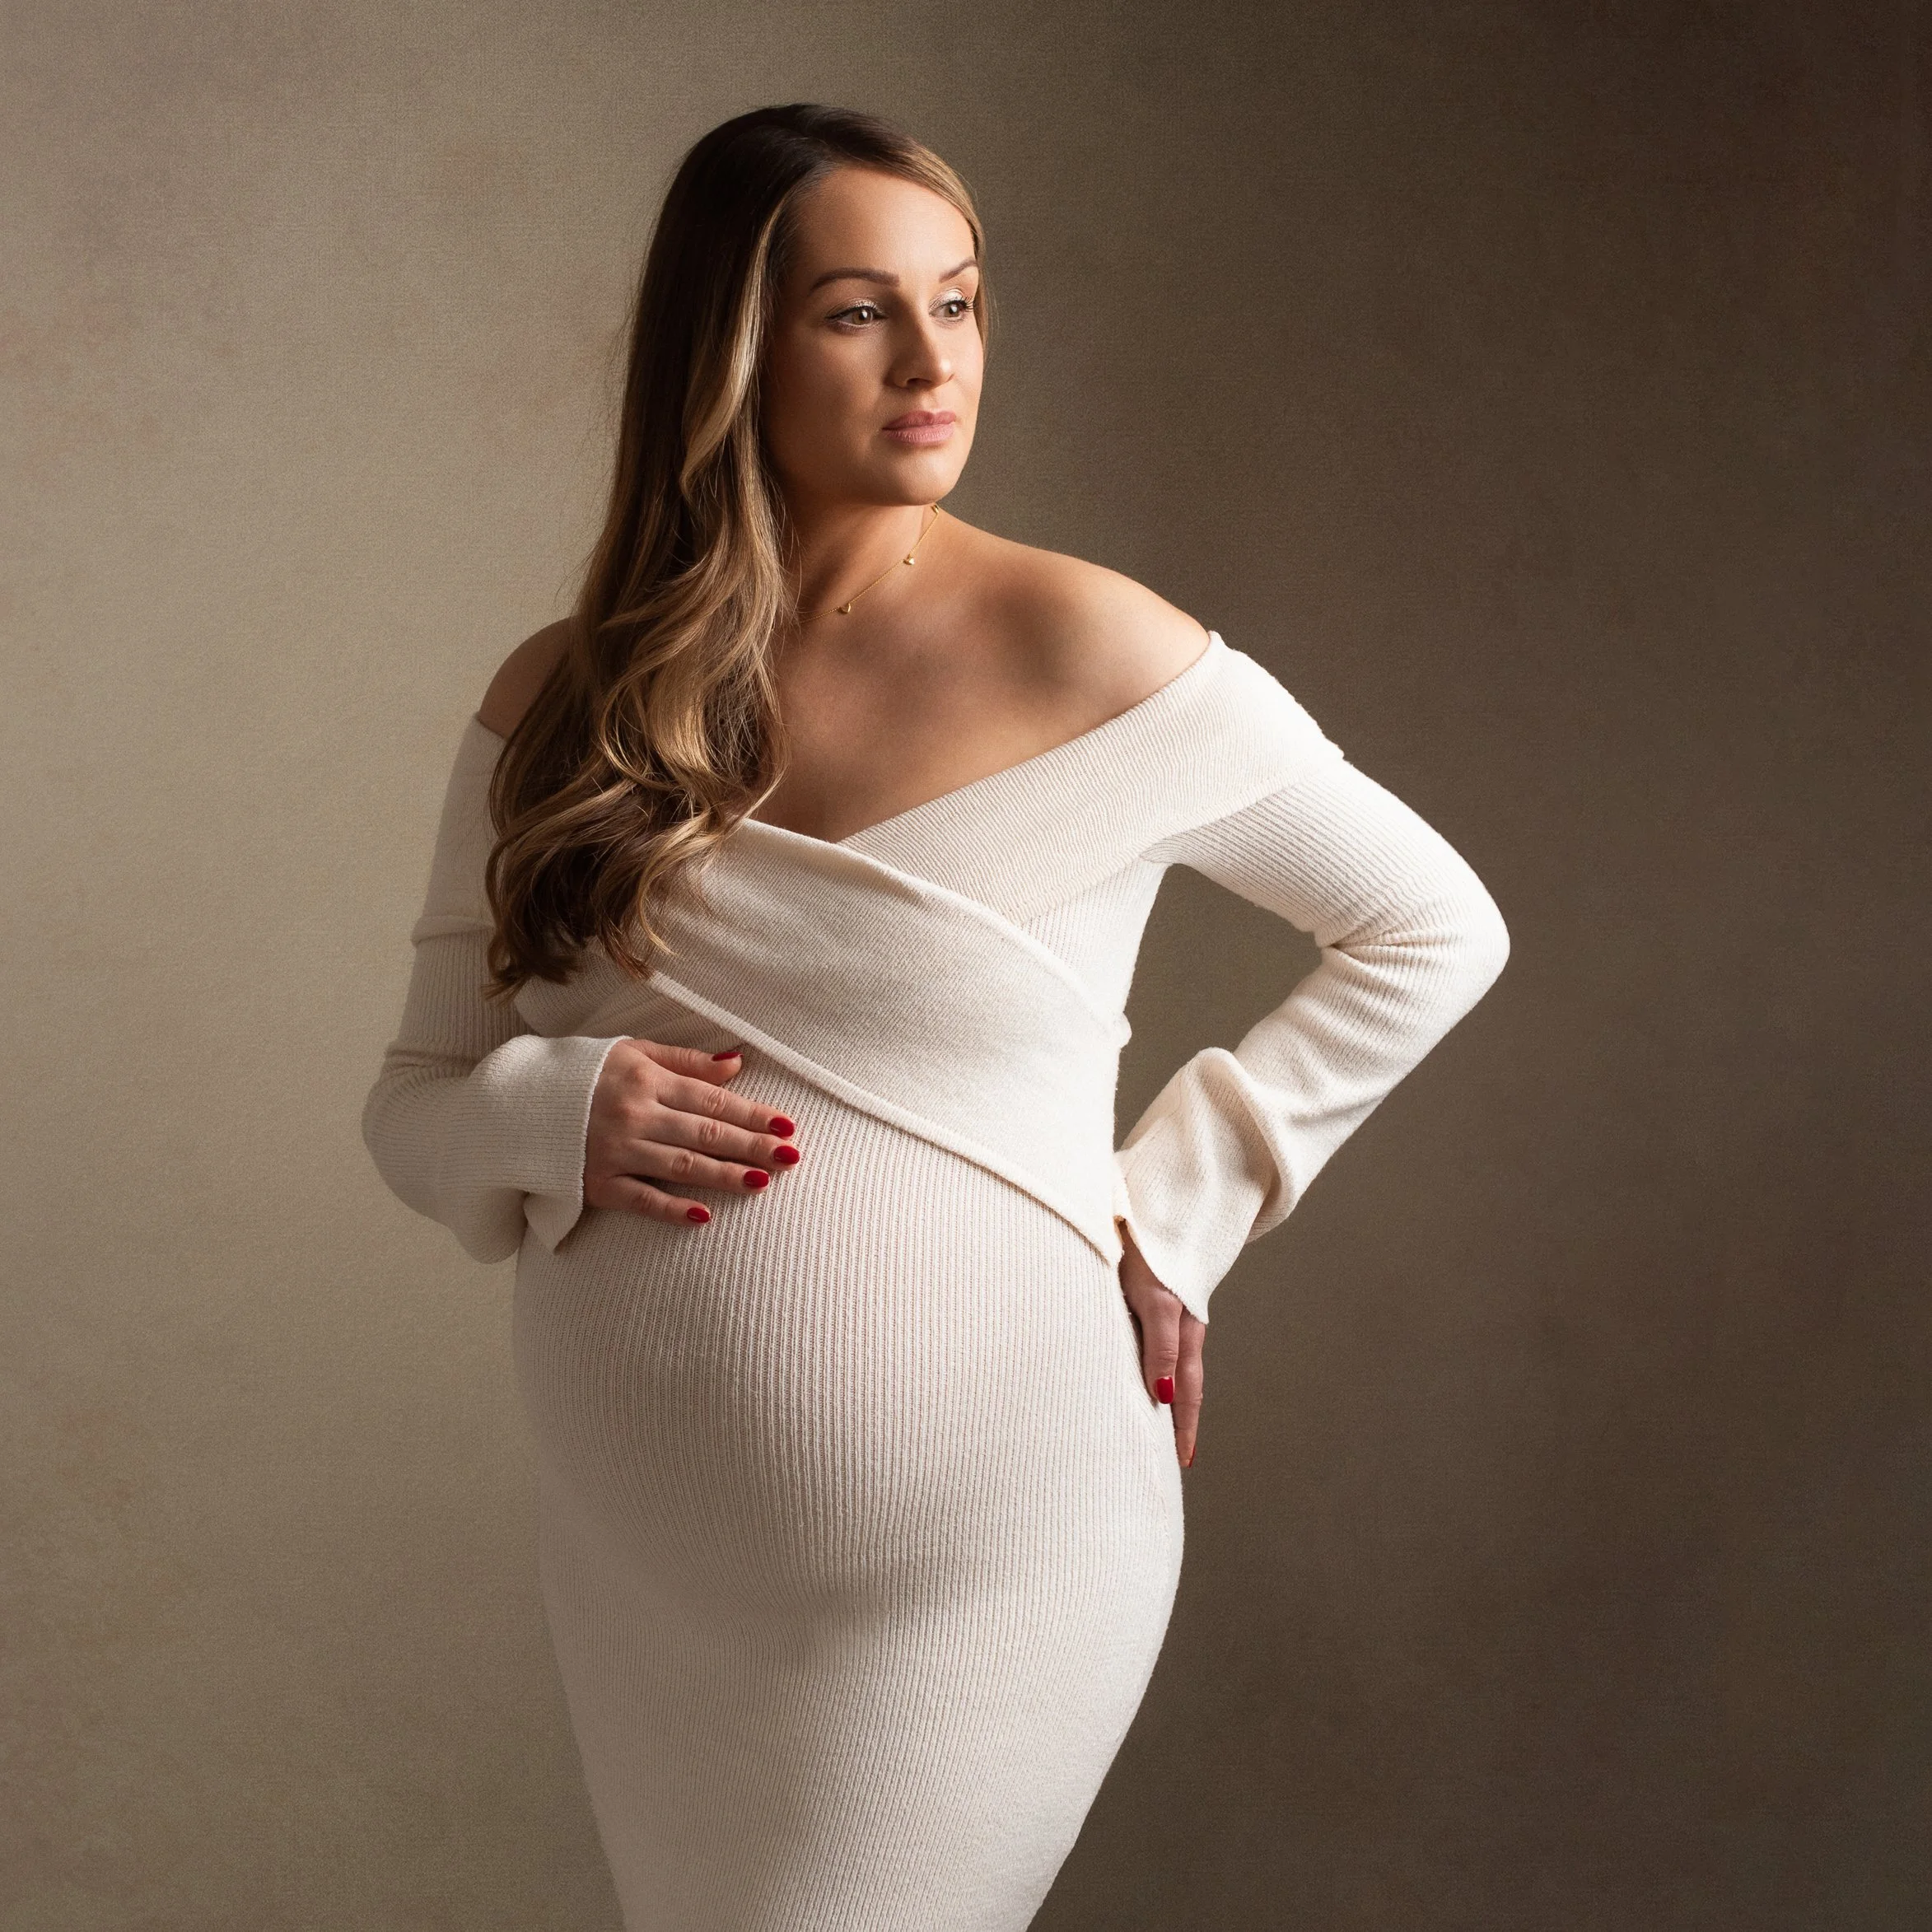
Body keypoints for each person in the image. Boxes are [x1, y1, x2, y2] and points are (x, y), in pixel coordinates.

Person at [362, 101, 1510, 1932]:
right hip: (647, 1579)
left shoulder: (1095, 648)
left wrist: (1173, 1208)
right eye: (857, 312)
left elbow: (1431, 926)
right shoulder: (564, 705)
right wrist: (549, 1110)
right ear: (730, 350)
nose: (930, 362)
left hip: (985, 1548)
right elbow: (417, 1104)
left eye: (958, 303)